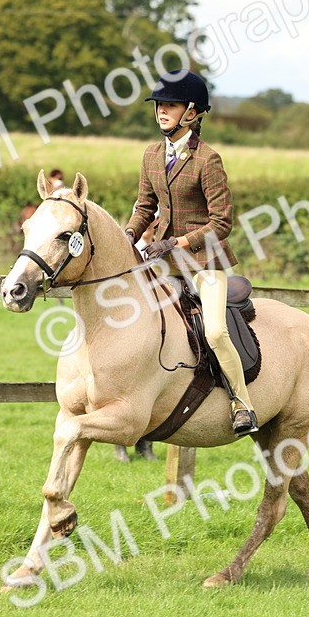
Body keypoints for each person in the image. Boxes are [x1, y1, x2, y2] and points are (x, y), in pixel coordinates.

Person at [124, 70, 258, 437]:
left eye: (170, 105)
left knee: (214, 331)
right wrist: (129, 235)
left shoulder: (208, 160)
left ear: (191, 112)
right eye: (159, 106)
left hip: (203, 261)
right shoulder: (151, 154)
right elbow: (144, 206)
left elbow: (222, 222)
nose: (161, 112)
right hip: (163, 260)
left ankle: (241, 403)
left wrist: (179, 242)